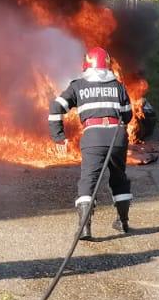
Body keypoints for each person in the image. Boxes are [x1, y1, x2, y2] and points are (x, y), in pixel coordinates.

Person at [48, 48, 134, 239]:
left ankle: (84, 227)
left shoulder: (78, 85)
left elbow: (56, 106)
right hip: (116, 137)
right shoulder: (118, 86)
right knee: (119, 177)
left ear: (86, 64)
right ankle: (123, 222)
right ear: (108, 65)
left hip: (93, 137)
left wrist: (58, 136)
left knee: (89, 180)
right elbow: (127, 116)